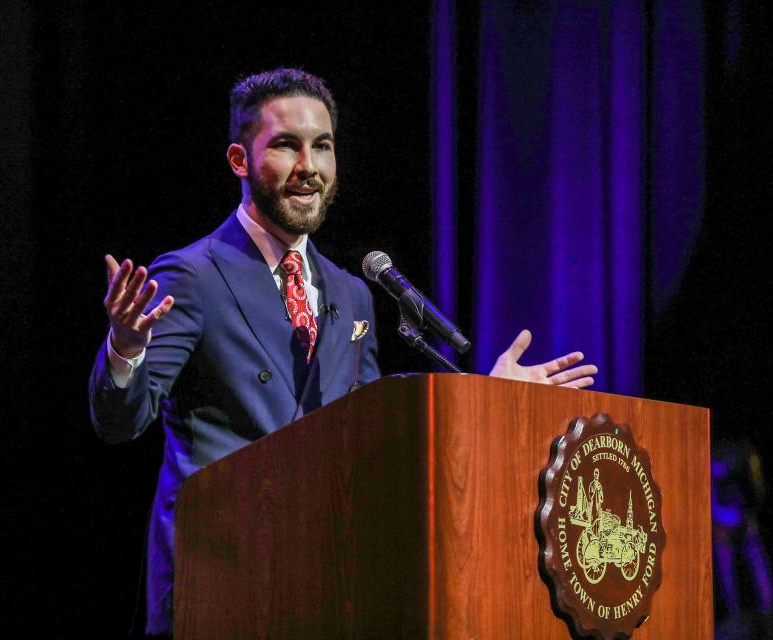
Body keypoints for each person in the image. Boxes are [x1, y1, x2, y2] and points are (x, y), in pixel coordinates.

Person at [88, 68, 597, 637]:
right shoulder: (193, 273)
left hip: (327, 584)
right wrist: (125, 349)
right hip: (222, 586)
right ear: (238, 159)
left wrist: (488, 401)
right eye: (286, 145)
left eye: (322, 146)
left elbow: (374, 436)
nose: (310, 166)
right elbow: (120, 422)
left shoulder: (351, 291)